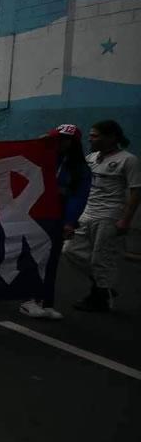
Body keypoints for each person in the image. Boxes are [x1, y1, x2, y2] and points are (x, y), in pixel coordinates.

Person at [63, 120, 140, 312]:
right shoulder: (91, 158)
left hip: (109, 215)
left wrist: (125, 220)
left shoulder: (128, 160)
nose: (90, 138)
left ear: (111, 137)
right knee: (70, 250)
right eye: (90, 135)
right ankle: (103, 284)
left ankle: (100, 299)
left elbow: (136, 191)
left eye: (95, 135)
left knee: (101, 258)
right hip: (86, 212)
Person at [20, 124, 91, 320]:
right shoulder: (42, 158)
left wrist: (70, 222)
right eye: (56, 139)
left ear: (74, 143)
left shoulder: (78, 168)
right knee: (33, 256)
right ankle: (28, 299)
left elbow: (79, 196)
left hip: (57, 216)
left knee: (51, 259)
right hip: (34, 213)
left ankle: (46, 301)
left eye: (65, 140)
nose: (60, 143)